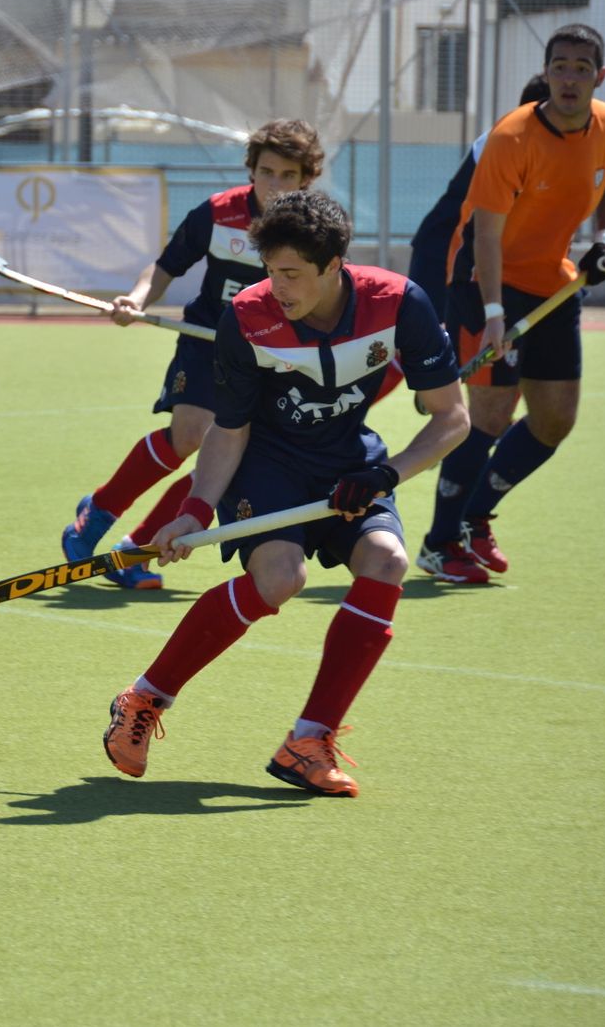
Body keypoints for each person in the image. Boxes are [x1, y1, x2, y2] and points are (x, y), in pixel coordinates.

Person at [100, 190, 469, 796]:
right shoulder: (247, 316)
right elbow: (229, 428)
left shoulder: (399, 303)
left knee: (388, 561)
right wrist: (194, 510)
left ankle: (308, 741)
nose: (277, 286)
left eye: (292, 274)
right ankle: (145, 698)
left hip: (352, 464)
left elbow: (451, 417)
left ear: (333, 266)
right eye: (271, 270)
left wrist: (387, 475)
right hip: (264, 464)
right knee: (281, 576)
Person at [417, 24, 605, 585]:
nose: (569, 77)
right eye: (560, 66)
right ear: (547, 74)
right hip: (484, 283)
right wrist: (493, 317)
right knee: (490, 415)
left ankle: (475, 517)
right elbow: (485, 236)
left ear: (600, 76)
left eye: (581, 68)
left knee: (553, 420)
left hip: (555, 285)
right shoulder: (512, 137)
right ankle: (440, 543)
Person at [62, 119, 324, 589]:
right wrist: (138, 299)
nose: (276, 184)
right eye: (267, 172)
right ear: (252, 170)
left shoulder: (314, 229)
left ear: (306, 178)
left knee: (226, 456)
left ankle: (136, 551)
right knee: (188, 435)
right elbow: (165, 266)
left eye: (289, 175)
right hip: (207, 343)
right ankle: (98, 512)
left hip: (270, 359)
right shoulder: (218, 213)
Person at [406, 74, 553, 307]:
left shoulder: (534, 147)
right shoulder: (505, 142)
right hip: (441, 252)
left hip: (470, 259)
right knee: (429, 340)